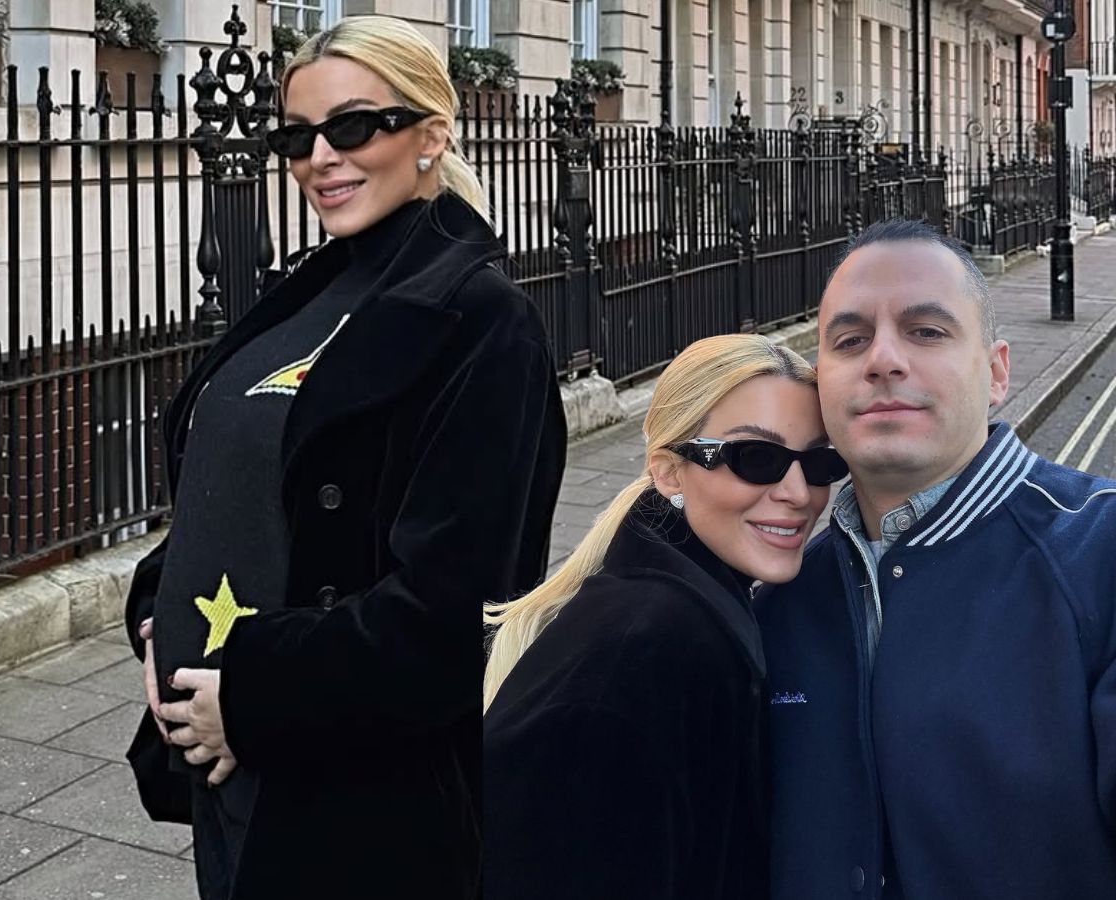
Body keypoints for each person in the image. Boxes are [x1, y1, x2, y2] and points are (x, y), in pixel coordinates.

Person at [122, 16, 566, 900]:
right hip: (230, 776)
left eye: (354, 126)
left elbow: (457, 608)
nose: (321, 157)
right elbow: (239, 480)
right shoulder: (310, 286)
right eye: (298, 137)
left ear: (431, 135)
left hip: (358, 796)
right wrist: (157, 610)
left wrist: (251, 697)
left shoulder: (481, 323)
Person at [755, 218, 1116, 900]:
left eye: (926, 331)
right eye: (850, 340)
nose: (883, 359)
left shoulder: (1099, 553)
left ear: (996, 372)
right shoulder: (780, 596)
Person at [484, 333, 848, 900]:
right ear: (669, 472)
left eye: (821, 462)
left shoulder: (673, 611)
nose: (800, 494)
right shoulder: (653, 648)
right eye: (756, 459)